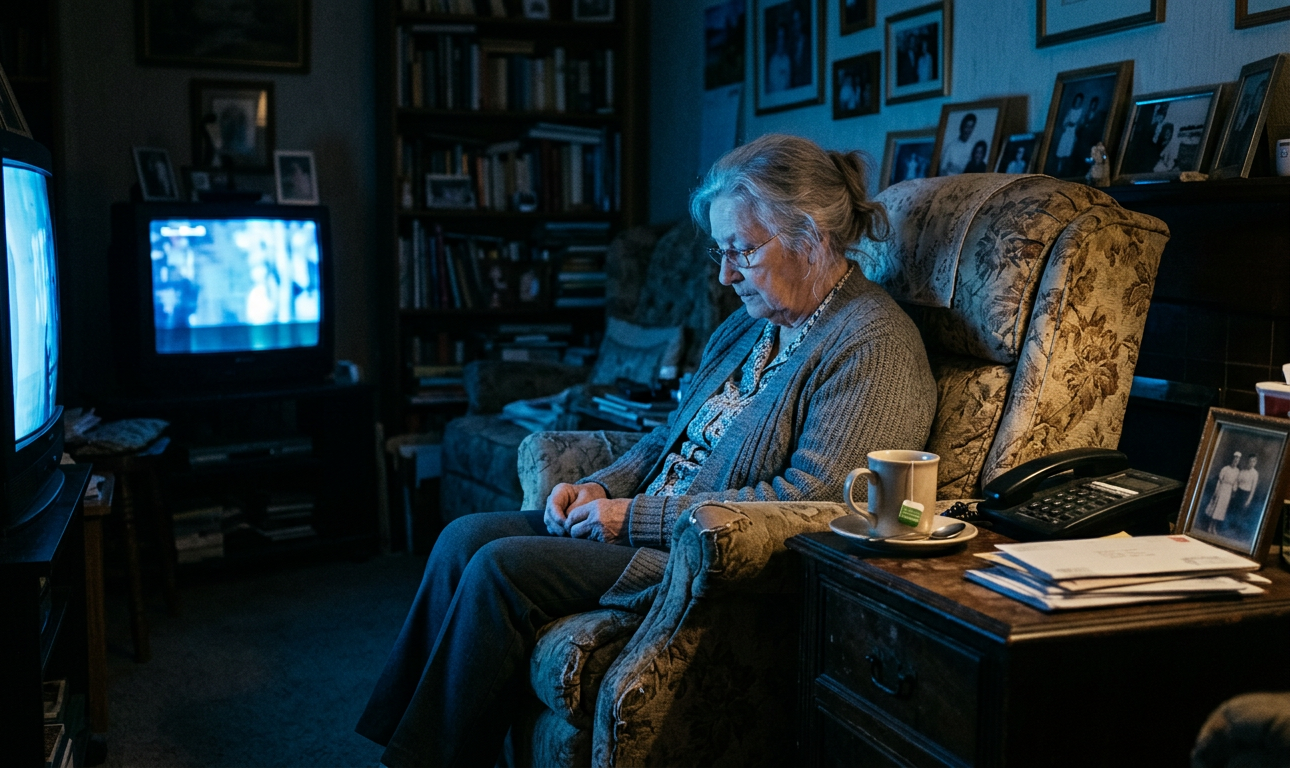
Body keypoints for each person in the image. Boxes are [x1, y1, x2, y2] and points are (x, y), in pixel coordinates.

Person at [355, 133, 938, 767]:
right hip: (647, 525)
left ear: (812, 237)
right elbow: (669, 435)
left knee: (499, 566)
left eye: (741, 250)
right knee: (461, 538)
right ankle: (398, 744)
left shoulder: (872, 346)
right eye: (721, 251)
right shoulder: (751, 324)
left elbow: (811, 503)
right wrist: (603, 486)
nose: (724, 274)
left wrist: (632, 518)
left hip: (702, 558)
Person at [1205, 451, 1242, 536]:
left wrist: (1234, 491)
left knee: (1221, 510)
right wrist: (1216, 491)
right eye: (1235, 458)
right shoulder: (1225, 468)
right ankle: (1209, 526)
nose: (1236, 460)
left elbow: (1235, 482)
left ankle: (1214, 527)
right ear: (1232, 459)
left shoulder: (1237, 471)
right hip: (1222, 489)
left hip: (1228, 491)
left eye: (1238, 459)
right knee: (1216, 507)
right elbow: (1219, 481)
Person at [1053, 92, 1085, 177]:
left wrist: (1075, 125)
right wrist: (1067, 124)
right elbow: (1064, 122)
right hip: (1066, 132)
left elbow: (1080, 123)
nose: (1077, 102)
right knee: (1061, 151)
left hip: (1073, 133)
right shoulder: (1070, 110)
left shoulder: (1081, 111)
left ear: (1081, 101)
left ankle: (1066, 171)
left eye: (1079, 101)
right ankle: (1058, 170)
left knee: (1069, 152)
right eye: (1076, 100)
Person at [766, 25, 791, 92]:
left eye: (782, 38)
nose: (781, 41)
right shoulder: (772, 61)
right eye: (779, 38)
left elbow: (788, 84)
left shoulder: (787, 60)